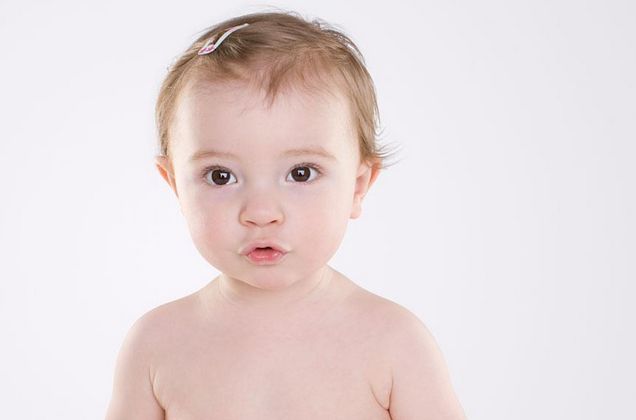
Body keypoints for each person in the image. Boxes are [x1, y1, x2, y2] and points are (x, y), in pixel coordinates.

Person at [105, 10, 467, 420]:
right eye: (221, 176)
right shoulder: (155, 345)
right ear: (175, 186)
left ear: (357, 186)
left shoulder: (394, 343)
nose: (261, 213)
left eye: (301, 173)